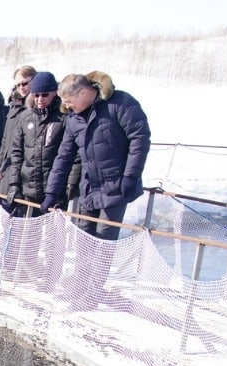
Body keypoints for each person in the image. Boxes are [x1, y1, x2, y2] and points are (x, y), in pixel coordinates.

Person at [42, 72, 151, 241]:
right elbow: (64, 155)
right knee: (83, 241)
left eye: (70, 102)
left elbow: (140, 139)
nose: (68, 107)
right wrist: (52, 192)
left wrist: (130, 176)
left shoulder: (120, 103)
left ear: (83, 93)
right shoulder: (74, 119)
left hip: (116, 188)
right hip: (88, 190)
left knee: (103, 243)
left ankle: (100, 269)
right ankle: (82, 269)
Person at [5, 71, 77, 215]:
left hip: (55, 190)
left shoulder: (65, 118)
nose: (39, 99)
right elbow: (17, 153)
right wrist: (14, 184)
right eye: (36, 95)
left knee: (53, 235)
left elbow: (73, 155)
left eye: (45, 95)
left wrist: (69, 184)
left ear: (54, 93)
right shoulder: (25, 117)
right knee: (29, 234)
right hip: (29, 189)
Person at [0, 65, 37, 203]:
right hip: (9, 166)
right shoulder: (14, 106)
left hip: (26, 169)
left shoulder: (37, 108)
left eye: (25, 83)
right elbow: (6, 139)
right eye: (18, 85)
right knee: (4, 207)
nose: (21, 88)